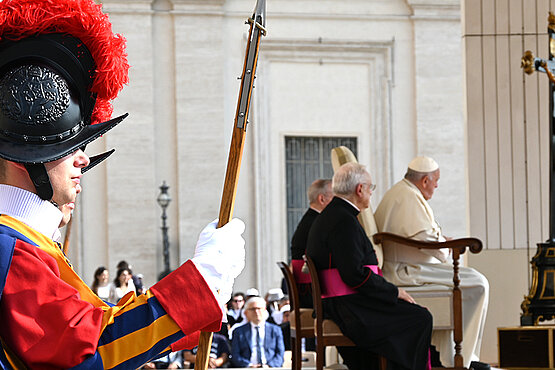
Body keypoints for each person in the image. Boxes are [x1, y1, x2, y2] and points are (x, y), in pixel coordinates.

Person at [0, 1, 245, 368]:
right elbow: (89, 349)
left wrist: (203, 291)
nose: (83, 159)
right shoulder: (11, 246)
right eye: (69, 148)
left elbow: (103, 321)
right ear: (24, 155)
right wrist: (203, 277)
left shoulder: (23, 243)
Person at [306, 162, 432, 370]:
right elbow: (355, 275)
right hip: (350, 308)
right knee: (420, 317)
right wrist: (394, 292)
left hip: (342, 303)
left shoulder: (333, 215)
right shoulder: (343, 221)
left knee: (412, 315)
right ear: (360, 189)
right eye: (371, 188)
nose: (371, 193)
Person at [374, 156, 490, 370]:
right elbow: (425, 237)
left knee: (473, 278)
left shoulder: (404, 192)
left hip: (412, 265)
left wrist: (442, 240)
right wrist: (445, 247)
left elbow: (421, 233)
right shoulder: (408, 197)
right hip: (406, 271)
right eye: (435, 180)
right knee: (478, 283)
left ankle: (449, 354)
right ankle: (461, 357)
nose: (437, 185)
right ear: (425, 180)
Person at [290, 179, 332, 308]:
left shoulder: (312, 219)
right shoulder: (317, 223)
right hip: (311, 295)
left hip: (309, 290)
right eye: (335, 197)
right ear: (322, 199)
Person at [231, 296, 285, 368]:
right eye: (253, 309)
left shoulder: (275, 330)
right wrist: (249, 365)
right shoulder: (239, 331)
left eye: (259, 308)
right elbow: (235, 355)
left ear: (265, 310)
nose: (256, 312)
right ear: (246, 312)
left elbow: (280, 354)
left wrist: (269, 366)